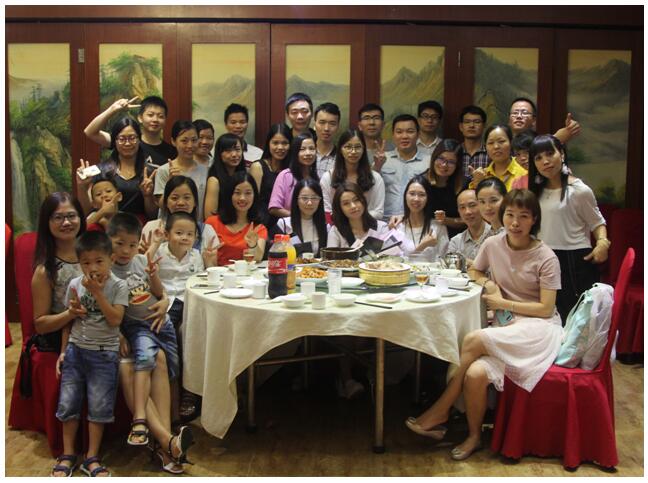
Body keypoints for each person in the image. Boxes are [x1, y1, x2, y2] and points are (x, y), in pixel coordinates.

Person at [406, 189, 562, 461]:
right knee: (475, 373)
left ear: (534, 220)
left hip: (538, 329)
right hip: (507, 327)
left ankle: (441, 410)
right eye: (510, 215)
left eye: (524, 216)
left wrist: (504, 304)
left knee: (473, 339)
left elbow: (546, 308)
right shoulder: (493, 244)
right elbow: (474, 270)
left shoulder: (546, 256)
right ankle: (474, 436)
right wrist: (489, 284)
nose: (515, 222)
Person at [106, 213, 192, 472]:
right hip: (122, 332)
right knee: (138, 362)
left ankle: (165, 445)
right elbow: (99, 310)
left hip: (151, 327)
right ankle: (167, 443)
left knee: (163, 359)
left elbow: (157, 289)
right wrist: (119, 334)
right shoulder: (102, 267)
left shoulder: (139, 261)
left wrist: (164, 301)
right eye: (119, 244)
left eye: (131, 245)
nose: (125, 250)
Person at [52, 231, 129, 477]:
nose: (92, 268)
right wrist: (63, 352)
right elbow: (69, 320)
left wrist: (97, 293)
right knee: (68, 403)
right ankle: (68, 454)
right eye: (86, 262)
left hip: (105, 354)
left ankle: (91, 457)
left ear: (111, 259)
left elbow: (115, 319)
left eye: (99, 261)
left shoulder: (119, 285)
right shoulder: (75, 285)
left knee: (99, 407)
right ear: (79, 263)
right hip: (76, 351)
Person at [528, 134, 609, 323]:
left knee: (575, 319)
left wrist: (602, 243)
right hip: (543, 257)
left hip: (574, 261)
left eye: (550, 154)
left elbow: (597, 222)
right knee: (548, 317)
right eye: (538, 158)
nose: (545, 161)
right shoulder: (535, 192)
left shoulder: (579, 190)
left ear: (562, 154)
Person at [146, 211, 218, 422]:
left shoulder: (196, 256)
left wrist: (210, 262)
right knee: (167, 334)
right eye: (179, 233)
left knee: (193, 334)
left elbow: (206, 280)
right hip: (166, 302)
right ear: (167, 234)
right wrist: (154, 245)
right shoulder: (159, 252)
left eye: (190, 234)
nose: (184, 238)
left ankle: (191, 390)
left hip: (190, 303)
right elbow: (143, 268)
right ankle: (171, 388)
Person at [31, 193, 86, 355]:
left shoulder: (95, 255)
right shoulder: (45, 271)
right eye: (58, 218)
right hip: (64, 337)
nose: (66, 222)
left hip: (99, 328)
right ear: (47, 222)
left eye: (71, 216)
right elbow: (41, 325)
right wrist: (70, 314)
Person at [78, 117, 158, 222]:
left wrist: (148, 196)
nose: (127, 143)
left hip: (139, 227)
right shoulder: (101, 170)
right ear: (114, 141)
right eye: (122, 139)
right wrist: (82, 187)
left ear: (139, 139)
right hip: (107, 226)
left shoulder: (151, 172)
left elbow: (153, 215)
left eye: (132, 138)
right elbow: (86, 212)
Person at [84, 96, 177, 167]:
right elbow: (90, 132)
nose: (155, 119)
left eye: (160, 116)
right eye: (150, 115)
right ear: (140, 118)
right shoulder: (127, 142)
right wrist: (112, 109)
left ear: (165, 120)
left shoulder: (171, 152)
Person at [141, 175, 219, 258]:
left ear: (195, 202)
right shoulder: (152, 228)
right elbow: (140, 263)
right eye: (174, 198)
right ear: (166, 202)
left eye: (186, 198)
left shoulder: (206, 231)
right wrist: (145, 257)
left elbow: (212, 265)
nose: (181, 203)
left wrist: (209, 261)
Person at [372, 114, 430, 221]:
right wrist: (377, 167)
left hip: (416, 222)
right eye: (399, 132)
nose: (404, 136)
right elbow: (369, 188)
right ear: (393, 135)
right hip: (385, 221)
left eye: (410, 131)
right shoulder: (382, 159)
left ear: (418, 134)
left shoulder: (429, 162)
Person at [205, 171, 268, 266]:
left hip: (245, 274)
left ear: (254, 196)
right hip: (217, 273)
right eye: (237, 193)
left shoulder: (257, 228)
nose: (242, 198)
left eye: (248, 193)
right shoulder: (212, 222)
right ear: (229, 195)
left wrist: (253, 245)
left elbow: (257, 258)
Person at [320, 129, 385, 220]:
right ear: (340, 149)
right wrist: (350, 220)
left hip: (368, 226)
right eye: (348, 147)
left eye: (358, 147)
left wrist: (356, 219)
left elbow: (378, 212)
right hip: (337, 227)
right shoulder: (328, 177)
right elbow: (327, 211)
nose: (353, 151)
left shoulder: (375, 178)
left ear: (363, 149)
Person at [153, 120, 209, 221]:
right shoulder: (164, 170)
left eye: (194, 140)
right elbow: (161, 206)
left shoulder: (205, 171)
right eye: (184, 141)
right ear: (173, 141)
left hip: (195, 226)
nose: (190, 145)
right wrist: (170, 183)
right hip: (169, 226)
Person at [327, 182, 400, 253]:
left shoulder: (381, 228)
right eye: (346, 203)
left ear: (363, 201)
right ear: (340, 208)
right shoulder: (336, 231)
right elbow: (330, 258)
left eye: (356, 200)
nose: (353, 206)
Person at [249, 123, 292, 227]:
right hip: (261, 224)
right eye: (275, 143)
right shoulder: (258, 167)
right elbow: (252, 203)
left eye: (285, 143)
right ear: (268, 143)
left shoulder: (292, 170)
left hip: (287, 224)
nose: (280, 147)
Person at [424, 139, 468, 238]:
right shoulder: (421, 182)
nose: (444, 165)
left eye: (451, 162)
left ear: (458, 165)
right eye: (441, 158)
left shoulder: (465, 184)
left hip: (458, 238)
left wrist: (446, 220)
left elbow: (470, 219)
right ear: (434, 158)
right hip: (427, 236)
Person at [398, 176, 449, 261]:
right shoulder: (398, 227)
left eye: (422, 195)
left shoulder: (438, 227)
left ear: (428, 198)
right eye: (412, 193)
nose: (416, 199)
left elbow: (444, 260)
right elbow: (395, 262)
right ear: (405, 196)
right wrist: (423, 245)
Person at [268, 133, 318, 219]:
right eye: (302, 149)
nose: (308, 153)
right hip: (290, 224)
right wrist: (298, 218)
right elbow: (274, 208)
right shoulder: (285, 175)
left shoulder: (316, 177)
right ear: (295, 152)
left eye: (311, 149)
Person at [276, 179, 329, 257]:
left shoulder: (326, 227)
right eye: (304, 198)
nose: (309, 203)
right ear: (296, 200)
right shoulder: (283, 224)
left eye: (314, 198)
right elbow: (277, 256)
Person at [469, 124, 527, 191]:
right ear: (485, 147)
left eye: (501, 141)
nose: (496, 146)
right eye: (490, 143)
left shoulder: (523, 175)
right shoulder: (482, 175)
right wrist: (479, 184)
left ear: (511, 143)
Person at [203, 133, 247, 219]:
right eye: (228, 151)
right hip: (221, 225)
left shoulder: (244, 176)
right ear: (219, 153)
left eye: (237, 149)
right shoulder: (214, 181)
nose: (234, 154)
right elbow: (209, 216)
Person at [447, 189, 492, 268]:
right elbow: (450, 268)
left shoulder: (496, 236)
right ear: (458, 211)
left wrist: (466, 262)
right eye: (462, 207)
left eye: (472, 205)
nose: (467, 212)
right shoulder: (456, 241)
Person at [508, 97, 580, 145]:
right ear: (509, 119)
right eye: (515, 113)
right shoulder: (504, 142)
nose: (519, 116)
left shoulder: (538, 141)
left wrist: (570, 129)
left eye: (525, 113)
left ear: (534, 120)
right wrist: (556, 139)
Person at [223, 103, 263, 167]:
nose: (238, 126)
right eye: (233, 122)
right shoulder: (215, 152)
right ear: (226, 125)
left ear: (247, 124)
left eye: (242, 122)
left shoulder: (258, 154)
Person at [357, 103, 395, 167]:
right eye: (366, 118)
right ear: (359, 126)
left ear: (383, 125)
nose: (371, 123)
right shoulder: (354, 151)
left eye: (376, 118)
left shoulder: (395, 148)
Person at [458, 105, 489, 176]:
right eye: (467, 122)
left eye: (477, 122)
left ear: (484, 126)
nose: (471, 125)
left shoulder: (491, 153)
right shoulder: (455, 152)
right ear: (461, 127)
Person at [313, 102, 341, 178]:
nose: (326, 128)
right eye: (322, 122)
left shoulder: (341, 158)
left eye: (332, 124)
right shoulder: (304, 153)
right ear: (314, 124)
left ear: (338, 126)